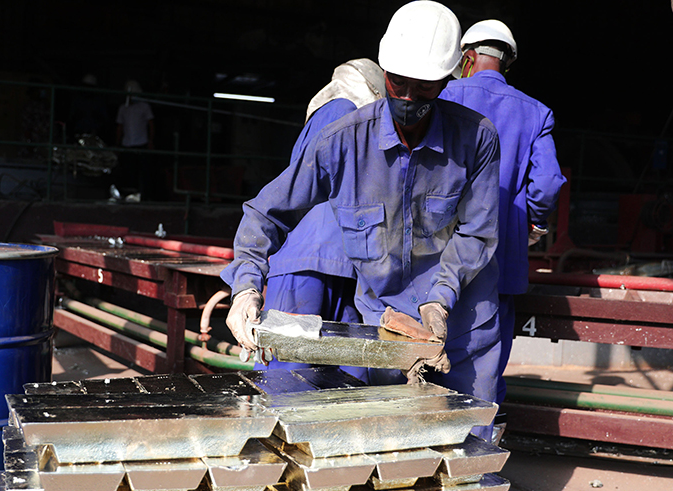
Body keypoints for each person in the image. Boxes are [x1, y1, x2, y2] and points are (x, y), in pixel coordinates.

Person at [220, 0, 501, 439]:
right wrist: (245, 287)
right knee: (391, 447)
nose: (408, 98)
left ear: (449, 78)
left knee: (468, 442)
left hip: (463, 322)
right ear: (384, 71)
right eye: (397, 82)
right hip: (386, 328)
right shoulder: (341, 142)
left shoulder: (476, 139)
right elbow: (264, 213)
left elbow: (477, 232)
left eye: (424, 87)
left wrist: (440, 296)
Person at [439, 20, 566, 420]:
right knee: (484, 370)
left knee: (422, 356)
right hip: (500, 259)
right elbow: (546, 183)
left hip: (434, 257)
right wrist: (534, 226)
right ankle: (474, 458)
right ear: (506, 63)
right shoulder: (535, 112)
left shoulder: (441, 95)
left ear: (467, 56)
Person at [255, 58, 387, 382]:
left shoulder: (331, 111)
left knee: (287, 382)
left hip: (311, 263)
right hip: (345, 264)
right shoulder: (343, 110)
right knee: (348, 384)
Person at [115, 79, 155, 197]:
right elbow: (119, 127)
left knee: (143, 172)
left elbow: (151, 124)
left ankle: (144, 196)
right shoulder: (123, 108)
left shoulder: (144, 107)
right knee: (128, 172)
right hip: (127, 144)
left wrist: (151, 141)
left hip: (142, 143)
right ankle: (129, 196)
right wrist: (117, 144)